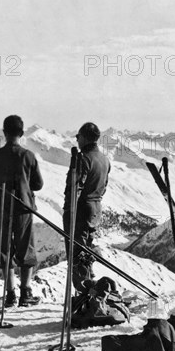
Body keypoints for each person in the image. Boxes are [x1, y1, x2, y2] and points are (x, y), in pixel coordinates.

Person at [0, 115, 44, 307]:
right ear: (22, 133)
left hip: (0, 208)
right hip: (23, 207)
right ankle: (25, 292)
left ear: (4, 133)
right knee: (26, 249)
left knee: (4, 249)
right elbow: (38, 184)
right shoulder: (28, 156)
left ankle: (10, 294)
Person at [63, 122, 110, 290]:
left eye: (78, 136)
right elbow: (104, 186)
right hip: (96, 209)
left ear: (84, 137)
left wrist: (69, 210)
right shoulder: (104, 159)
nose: (76, 139)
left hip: (80, 210)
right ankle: (90, 288)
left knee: (77, 254)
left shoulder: (82, 158)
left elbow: (75, 187)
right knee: (86, 251)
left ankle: (84, 291)